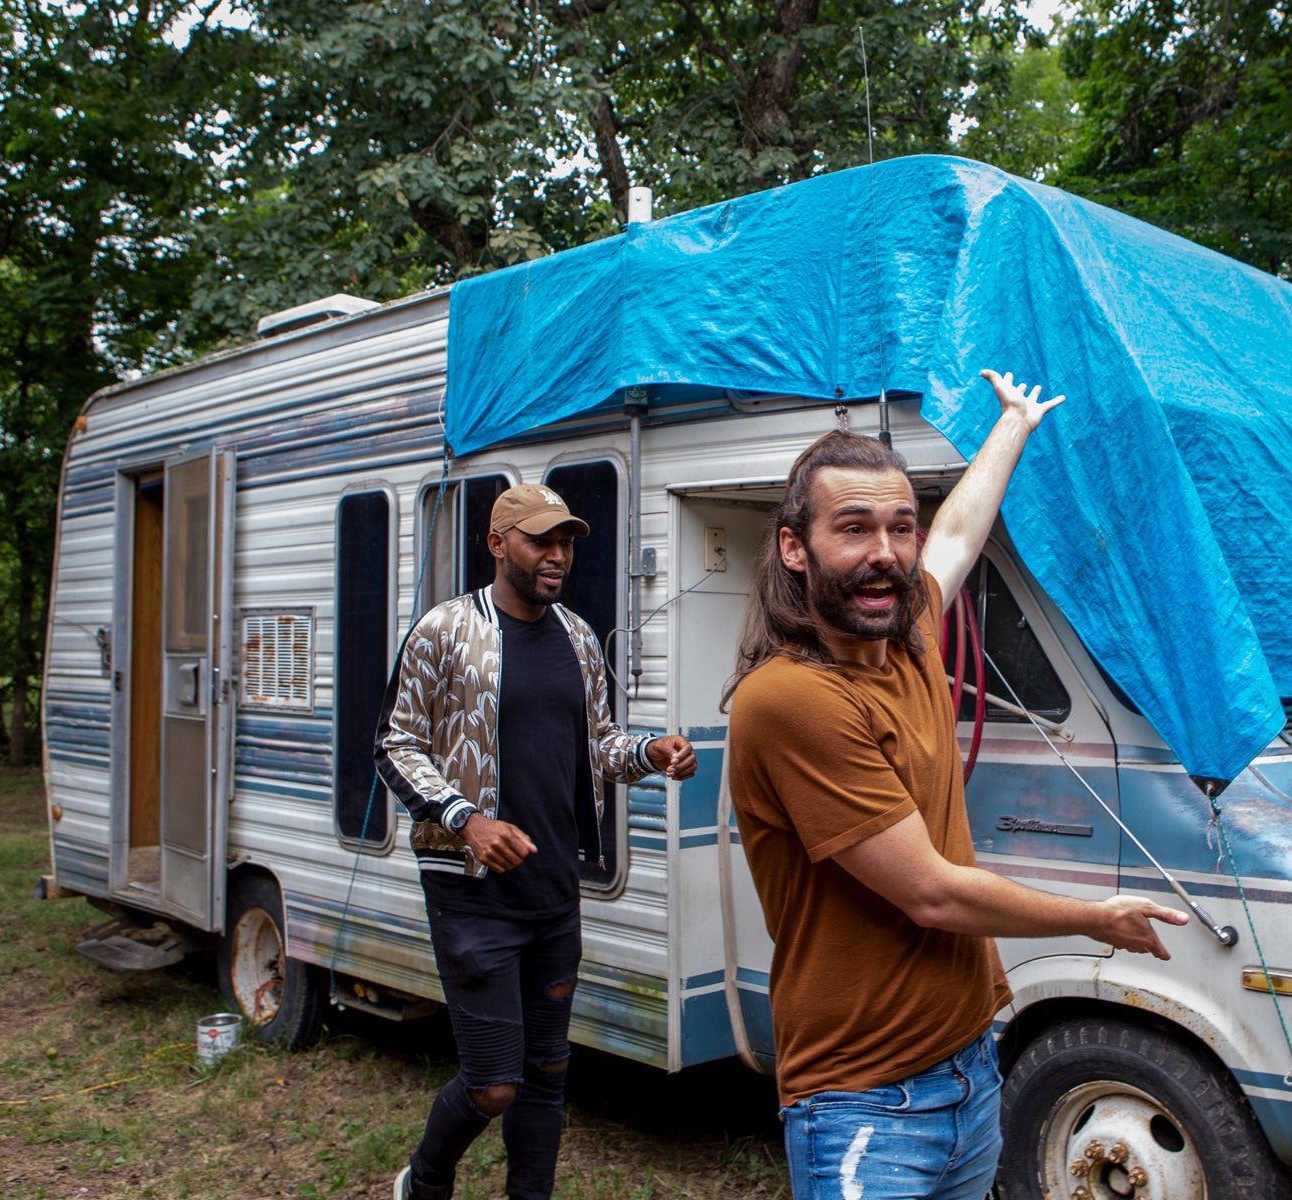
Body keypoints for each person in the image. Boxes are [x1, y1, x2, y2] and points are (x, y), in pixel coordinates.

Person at [724, 370, 1188, 1200]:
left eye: (899, 527)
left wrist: (1012, 425)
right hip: (865, 1102)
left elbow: (959, 534)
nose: (885, 552)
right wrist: (1097, 920)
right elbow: (933, 896)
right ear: (794, 547)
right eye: (854, 527)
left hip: (969, 1067)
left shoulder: (906, 638)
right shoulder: (793, 698)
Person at [374, 482, 697, 1200]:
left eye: (567, 542)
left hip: (554, 889)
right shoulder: (445, 630)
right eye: (541, 541)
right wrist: (467, 819)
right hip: (470, 892)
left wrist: (652, 752)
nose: (558, 556)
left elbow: (601, 746)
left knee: (547, 1076)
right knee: (493, 1084)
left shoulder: (578, 638)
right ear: (497, 545)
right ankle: (424, 1181)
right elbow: (395, 745)